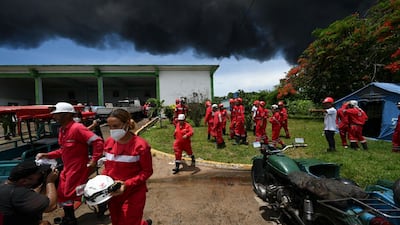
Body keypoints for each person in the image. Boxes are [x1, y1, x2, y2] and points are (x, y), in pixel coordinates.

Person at [36, 102, 104, 225]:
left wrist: (94, 159)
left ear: (67, 115)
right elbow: (63, 150)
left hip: (78, 167)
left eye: (57, 114)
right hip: (68, 167)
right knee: (63, 193)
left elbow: (97, 141)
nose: (54, 117)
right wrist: (48, 155)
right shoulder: (62, 130)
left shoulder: (77, 128)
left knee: (68, 192)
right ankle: (72, 215)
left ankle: (71, 218)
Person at [103, 108, 153, 225]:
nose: (112, 130)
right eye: (110, 127)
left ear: (126, 124)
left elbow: (147, 171)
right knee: (116, 221)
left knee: (127, 222)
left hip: (133, 192)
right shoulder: (109, 142)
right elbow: (108, 168)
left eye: (116, 126)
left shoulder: (140, 146)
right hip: (114, 193)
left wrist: (126, 184)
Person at [0, 160, 59, 225]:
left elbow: (36, 197)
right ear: (24, 181)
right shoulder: (17, 193)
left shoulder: (5, 187)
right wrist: (50, 182)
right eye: (39, 173)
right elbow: (50, 206)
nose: (41, 175)